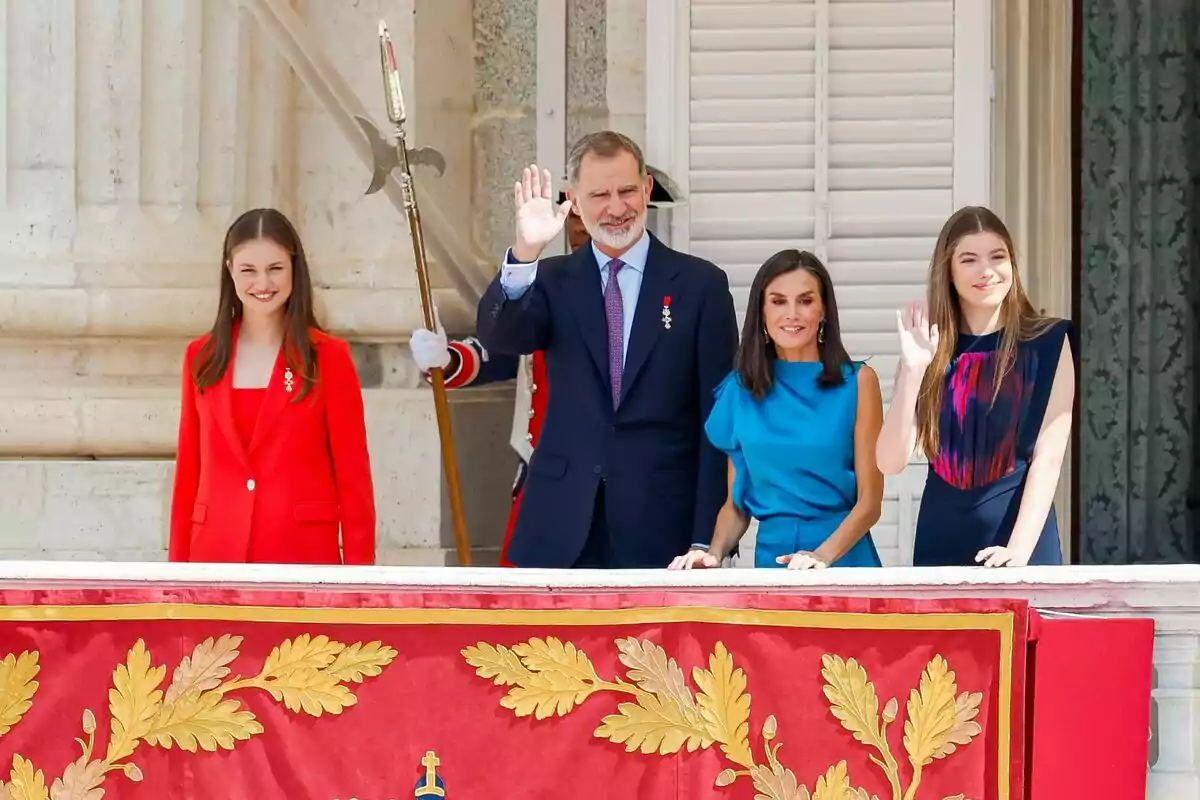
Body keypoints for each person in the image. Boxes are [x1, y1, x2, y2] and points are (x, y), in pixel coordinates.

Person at [475, 131, 739, 568]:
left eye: (627, 191)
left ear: (647, 189)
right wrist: (524, 252)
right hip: (560, 525)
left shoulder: (700, 285)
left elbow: (717, 421)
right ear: (574, 201)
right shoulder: (552, 280)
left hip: (662, 527)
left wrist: (704, 540)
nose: (616, 208)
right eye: (599, 194)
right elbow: (502, 336)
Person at [169, 208, 376, 565]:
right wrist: (176, 581)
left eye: (275, 269)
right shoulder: (200, 357)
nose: (262, 284)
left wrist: (358, 585)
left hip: (303, 561)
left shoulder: (328, 357)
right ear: (229, 270)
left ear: (295, 268)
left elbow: (354, 480)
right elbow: (188, 474)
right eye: (249, 270)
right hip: (214, 558)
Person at [875, 206, 1076, 568]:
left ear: (1012, 265)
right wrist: (912, 371)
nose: (986, 271)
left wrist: (1018, 551)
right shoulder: (929, 349)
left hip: (1021, 540)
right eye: (969, 259)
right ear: (948, 272)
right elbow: (890, 462)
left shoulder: (1048, 341)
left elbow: (1048, 459)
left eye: (997, 257)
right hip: (942, 542)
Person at [668, 250, 884, 570]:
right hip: (771, 562)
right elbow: (736, 506)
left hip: (843, 560)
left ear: (824, 310)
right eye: (779, 301)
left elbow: (870, 504)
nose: (792, 314)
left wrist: (821, 556)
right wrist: (712, 554)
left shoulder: (859, 383)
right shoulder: (740, 389)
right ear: (762, 311)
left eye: (806, 301)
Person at [407, 195, 591, 567]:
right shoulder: (543, 289)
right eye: (575, 211)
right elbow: (500, 350)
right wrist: (446, 359)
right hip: (545, 483)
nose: (579, 224)